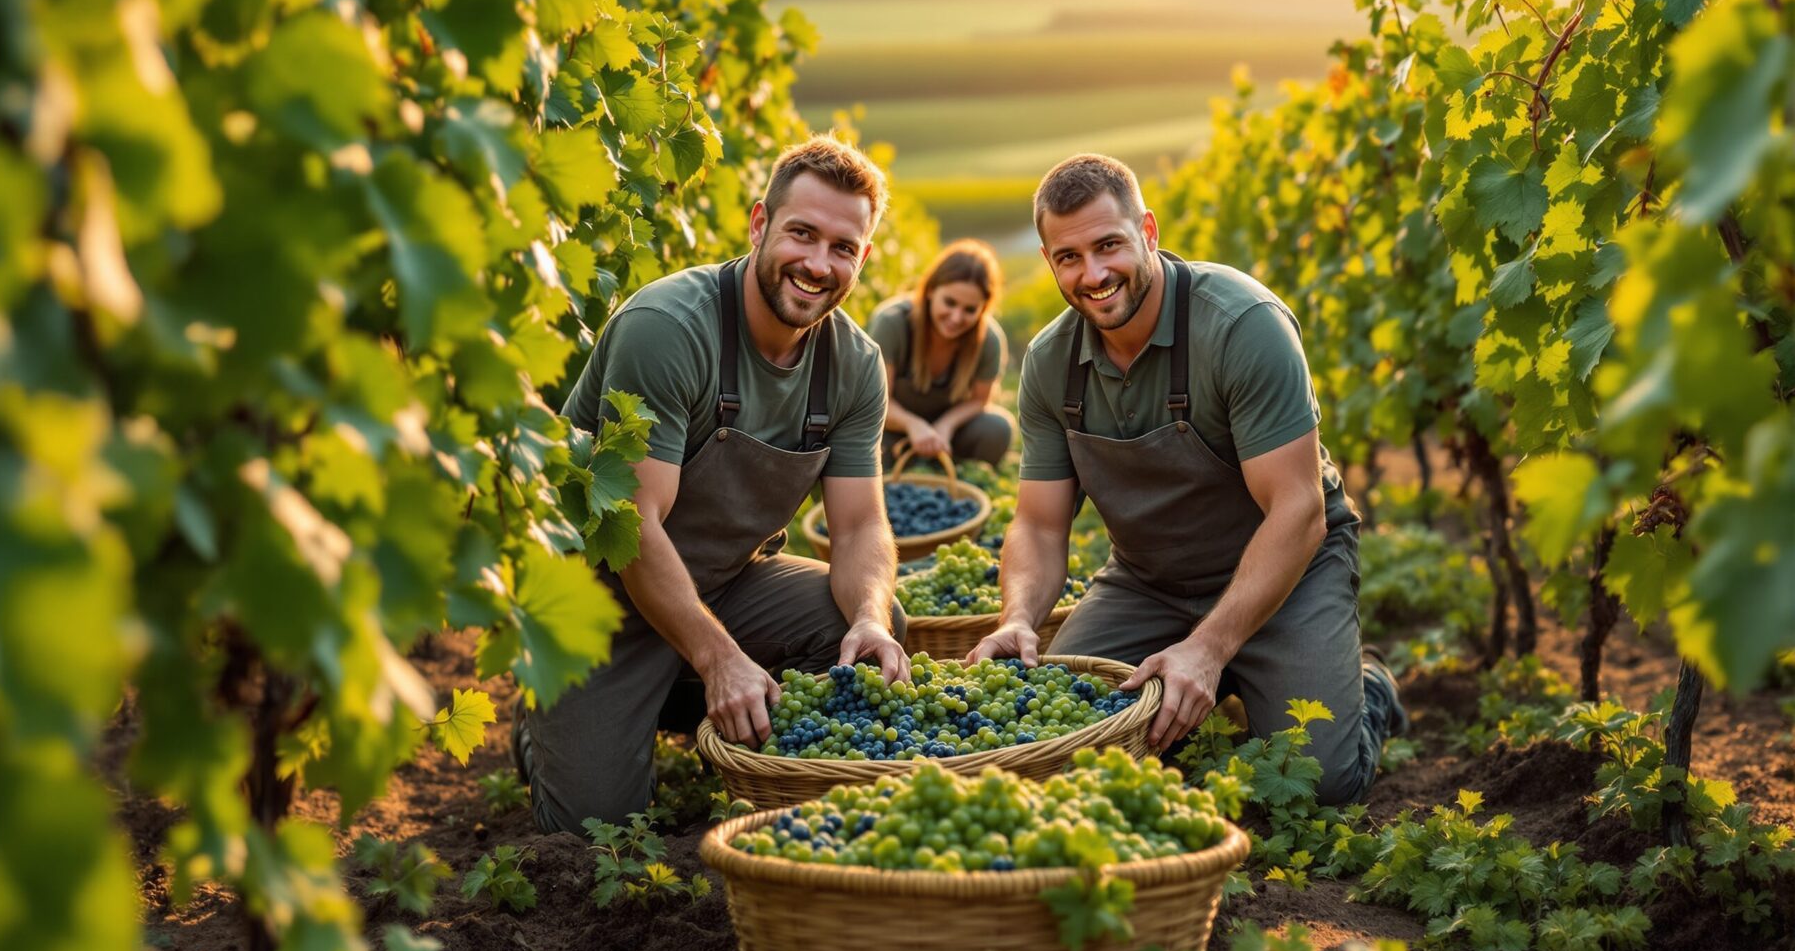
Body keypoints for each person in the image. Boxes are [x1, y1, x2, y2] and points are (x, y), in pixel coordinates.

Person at [969, 153, 1403, 806]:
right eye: (1068, 257)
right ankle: (1221, 677)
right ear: (1049, 259)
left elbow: (1298, 511)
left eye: (1108, 245)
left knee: (1319, 784)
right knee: (1056, 742)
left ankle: (1364, 690)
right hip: (1150, 583)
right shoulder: (1051, 362)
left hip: (1288, 574)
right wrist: (1019, 616)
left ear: (1147, 231)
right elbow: (1038, 522)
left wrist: (1207, 649)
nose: (1093, 274)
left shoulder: (1241, 326)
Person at [531, 136, 911, 833]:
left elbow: (860, 527)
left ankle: (720, 714)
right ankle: (558, 728)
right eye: (802, 233)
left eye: (843, 247)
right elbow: (633, 527)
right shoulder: (669, 329)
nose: (818, 264)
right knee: (596, 827)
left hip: (727, 585)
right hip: (599, 605)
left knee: (863, 635)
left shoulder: (854, 365)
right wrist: (719, 658)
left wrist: (869, 617)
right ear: (760, 222)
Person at [867, 240, 1015, 465]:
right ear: (931, 290)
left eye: (969, 310)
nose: (956, 318)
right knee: (859, 442)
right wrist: (913, 425)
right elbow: (876, 402)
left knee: (997, 428)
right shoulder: (892, 322)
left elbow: (979, 400)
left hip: (948, 435)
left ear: (983, 308)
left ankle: (950, 468)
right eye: (950, 302)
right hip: (891, 427)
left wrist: (946, 426)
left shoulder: (989, 339)